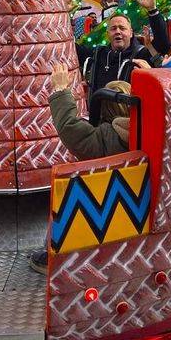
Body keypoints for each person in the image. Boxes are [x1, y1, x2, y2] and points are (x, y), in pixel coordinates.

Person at [30, 64, 132, 274]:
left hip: (103, 207)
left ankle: (55, 259)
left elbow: (69, 126)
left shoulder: (106, 138)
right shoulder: (148, 132)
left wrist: (60, 91)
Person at [75, 0, 171, 90]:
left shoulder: (141, 56)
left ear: (131, 33)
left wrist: (152, 10)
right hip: (99, 106)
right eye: (113, 28)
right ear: (108, 34)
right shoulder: (99, 54)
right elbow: (71, 49)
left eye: (122, 28)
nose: (117, 31)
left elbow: (163, 45)